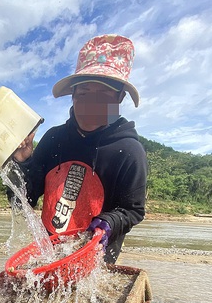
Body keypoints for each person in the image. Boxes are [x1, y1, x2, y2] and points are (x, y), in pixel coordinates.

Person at [10, 34, 148, 264]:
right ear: (73, 95)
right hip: (50, 255)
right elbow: (24, 199)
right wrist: (22, 162)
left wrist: (109, 222)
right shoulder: (54, 139)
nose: (92, 103)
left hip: (98, 261)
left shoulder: (130, 151)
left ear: (119, 98)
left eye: (103, 95)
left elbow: (133, 210)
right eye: (84, 93)